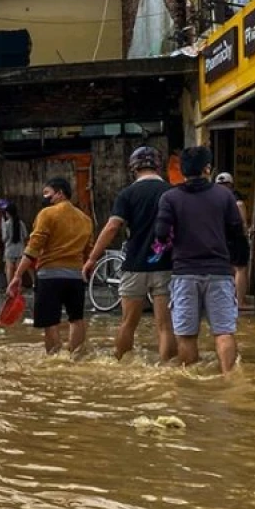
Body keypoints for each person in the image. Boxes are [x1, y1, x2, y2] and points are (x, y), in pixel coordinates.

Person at [153, 146, 245, 375]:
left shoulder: (170, 197)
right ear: (207, 168)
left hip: (184, 273)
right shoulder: (224, 196)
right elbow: (237, 233)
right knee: (224, 332)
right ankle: (229, 382)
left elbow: (161, 233)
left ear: (182, 170)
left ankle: (191, 389)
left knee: (186, 336)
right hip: (220, 272)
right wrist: (238, 263)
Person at [82, 146, 176, 362]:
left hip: (134, 265)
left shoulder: (127, 194)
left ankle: (120, 368)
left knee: (128, 323)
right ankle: (168, 372)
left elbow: (112, 227)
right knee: (165, 326)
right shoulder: (172, 192)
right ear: (158, 166)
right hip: (166, 265)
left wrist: (92, 259)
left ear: (133, 168)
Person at [7, 178, 93, 354]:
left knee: (50, 321)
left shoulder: (47, 214)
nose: (44, 197)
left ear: (60, 193)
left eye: (47, 193)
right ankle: (75, 358)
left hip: (49, 277)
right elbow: (88, 251)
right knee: (76, 319)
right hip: (75, 278)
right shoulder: (85, 219)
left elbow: (33, 249)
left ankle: (54, 359)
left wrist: (17, 276)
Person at [214, 172, 252, 308]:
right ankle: (240, 301)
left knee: (228, 270)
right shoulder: (237, 201)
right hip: (236, 238)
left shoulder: (214, 201)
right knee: (240, 269)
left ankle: (228, 301)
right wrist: (246, 234)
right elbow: (243, 224)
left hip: (220, 238)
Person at [0, 199, 28, 286]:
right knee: (18, 272)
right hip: (20, 250)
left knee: (9, 270)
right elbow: (25, 236)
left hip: (9, 251)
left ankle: (10, 289)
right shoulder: (21, 223)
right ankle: (18, 290)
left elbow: (4, 238)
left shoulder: (6, 224)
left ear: (8, 213)